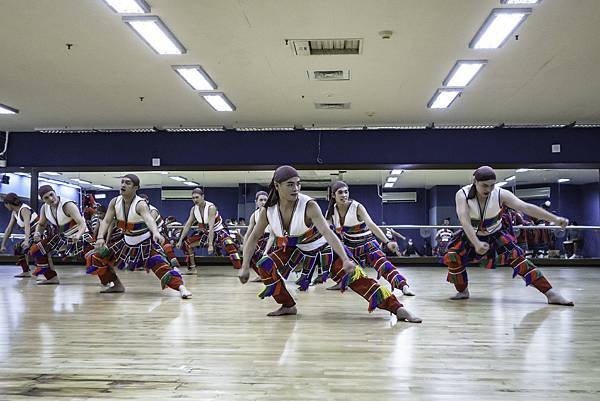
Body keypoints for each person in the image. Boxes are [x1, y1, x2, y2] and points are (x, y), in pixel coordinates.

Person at [238, 166, 421, 322]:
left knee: (357, 279)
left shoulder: (309, 205)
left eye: (298, 183)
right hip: (295, 250)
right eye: (290, 184)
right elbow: (253, 238)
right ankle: (287, 305)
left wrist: (345, 259)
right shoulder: (268, 211)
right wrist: (245, 266)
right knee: (265, 265)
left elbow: (327, 232)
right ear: (277, 186)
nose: (296, 188)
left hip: (323, 249)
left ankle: (397, 308)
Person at [442, 166, 573, 306]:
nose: (488, 189)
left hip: (496, 234)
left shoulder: (501, 194)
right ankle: (463, 291)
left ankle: (550, 293)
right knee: (453, 256)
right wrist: (476, 243)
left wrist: (555, 219)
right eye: (484, 185)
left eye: (492, 185)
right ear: (475, 181)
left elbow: (526, 207)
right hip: (469, 235)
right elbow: (464, 220)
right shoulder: (462, 194)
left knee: (519, 260)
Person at [86, 174, 191, 298]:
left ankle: (181, 288)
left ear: (136, 188)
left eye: (128, 183)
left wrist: (156, 233)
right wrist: (100, 238)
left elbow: (149, 219)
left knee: (161, 267)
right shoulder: (114, 202)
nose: (123, 185)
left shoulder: (140, 204)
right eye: (122, 182)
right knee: (96, 256)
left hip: (145, 244)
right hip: (124, 243)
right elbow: (107, 221)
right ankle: (117, 285)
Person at [325, 181, 414, 295]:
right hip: (350, 246)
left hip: (368, 244)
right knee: (332, 258)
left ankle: (403, 286)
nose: (344, 195)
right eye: (340, 192)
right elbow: (326, 230)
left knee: (383, 265)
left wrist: (387, 242)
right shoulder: (331, 211)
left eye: (346, 192)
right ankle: (342, 282)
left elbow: (371, 225)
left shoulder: (357, 207)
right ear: (333, 195)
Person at [28, 185, 95, 285]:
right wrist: (38, 233)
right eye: (46, 198)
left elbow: (82, 224)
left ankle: (112, 282)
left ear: (55, 192)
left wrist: (78, 235)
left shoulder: (68, 205)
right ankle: (51, 278)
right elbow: (41, 224)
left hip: (79, 234)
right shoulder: (44, 208)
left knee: (95, 257)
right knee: (36, 250)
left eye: (51, 195)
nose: (50, 199)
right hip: (61, 237)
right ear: (42, 200)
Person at [176, 188, 241, 272]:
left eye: (197, 197)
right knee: (187, 244)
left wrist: (210, 244)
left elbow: (211, 227)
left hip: (219, 231)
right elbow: (188, 225)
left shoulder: (211, 208)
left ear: (202, 196)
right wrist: (180, 240)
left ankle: (239, 269)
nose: (195, 200)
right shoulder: (193, 209)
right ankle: (192, 268)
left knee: (229, 245)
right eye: (193, 198)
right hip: (205, 232)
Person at [1, 193, 38, 278]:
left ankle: (44, 271)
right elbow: (9, 228)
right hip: (31, 235)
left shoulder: (24, 209)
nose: (6, 207)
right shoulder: (14, 212)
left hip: (40, 233)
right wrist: (3, 244)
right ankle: (26, 271)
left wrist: (26, 240)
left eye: (5, 204)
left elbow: (27, 226)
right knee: (18, 248)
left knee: (33, 249)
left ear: (8, 204)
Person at [242, 191, 274, 282]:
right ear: (256, 202)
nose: (263, 202)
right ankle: (261, 275)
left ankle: (270, 275)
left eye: (265, 200)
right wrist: (245, 250)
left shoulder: (272, 213)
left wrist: (265, 252)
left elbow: (272, 235)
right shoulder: (254, 214)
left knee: (262, 255)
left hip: (271, 239)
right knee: (249, 255)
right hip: (260, 238)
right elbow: (248, 234)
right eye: (261, 200)